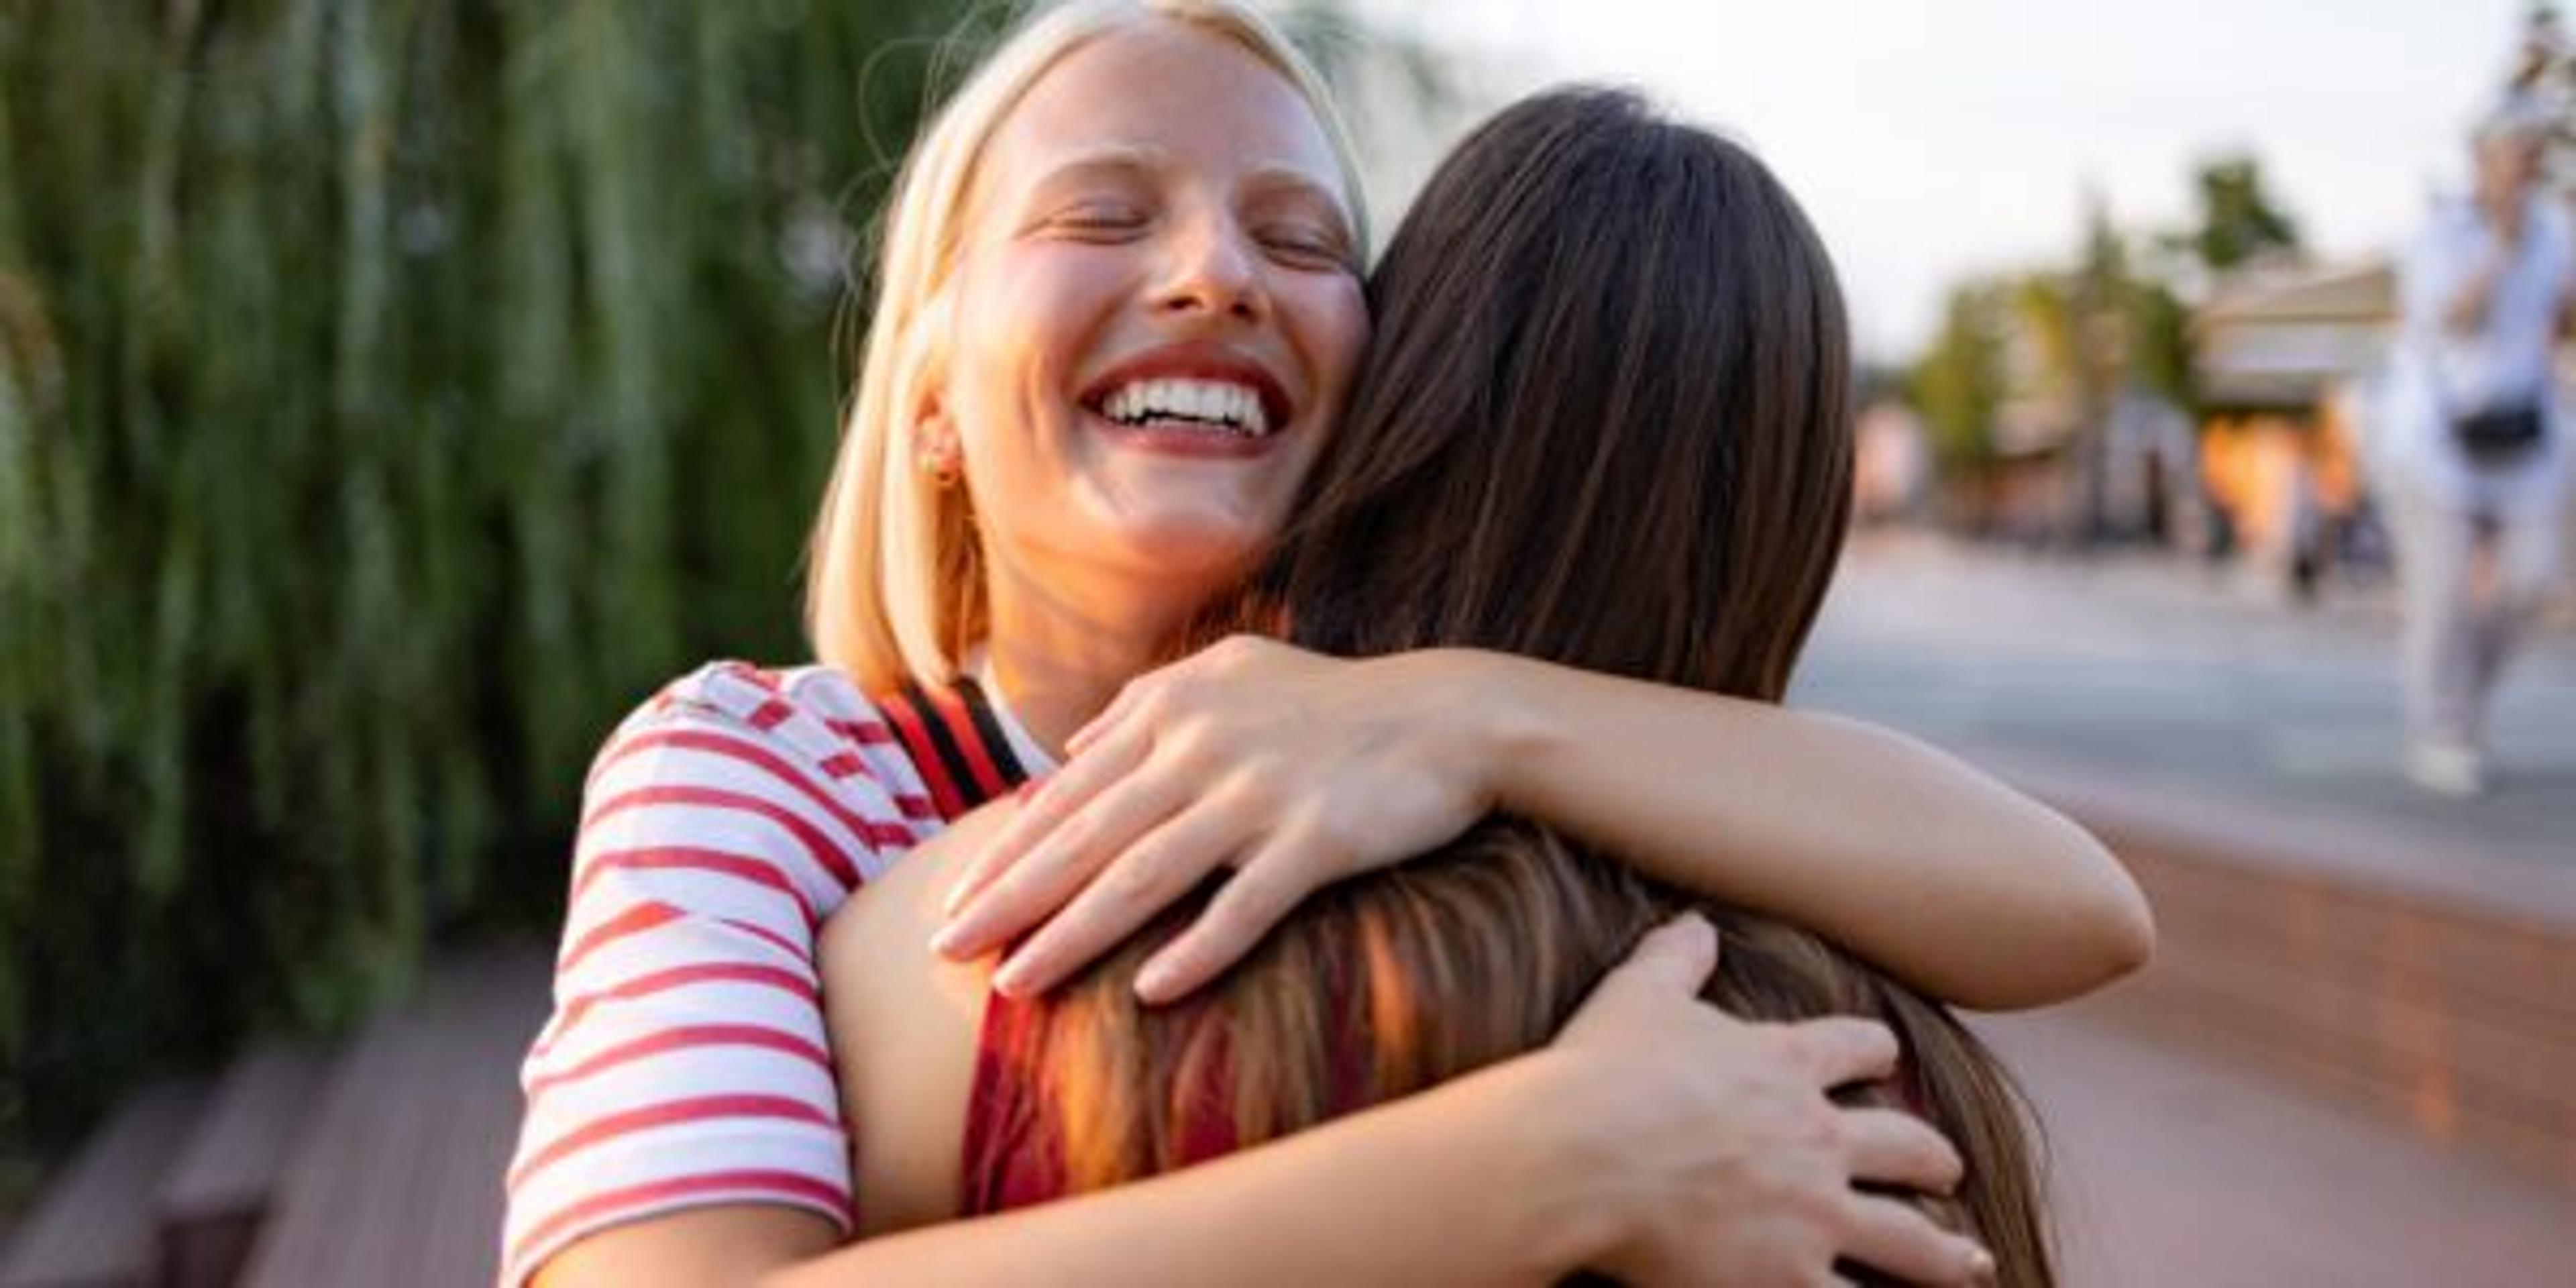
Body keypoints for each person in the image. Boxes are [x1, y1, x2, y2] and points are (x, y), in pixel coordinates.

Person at [506, 3, 2148, 1283]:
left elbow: (2077, 907)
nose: (1214, 272)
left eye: (1297, 240)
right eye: (1099, 213)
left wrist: (1467, 714)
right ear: (928, 392)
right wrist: (1549, 1164)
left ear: (1394, 380)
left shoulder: (1461, 783)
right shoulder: (758, 771)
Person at [2378, 105, 2575, 796]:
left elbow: (2563, 317)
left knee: (2532, 578)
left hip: (2526, 434)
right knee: (2444, 592)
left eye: (2535, 153)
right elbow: (2452, 318)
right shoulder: (2441, 232)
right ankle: (2439, 729)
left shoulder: (2556, 233)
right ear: (2483, 159)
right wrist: (2501, 247)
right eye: (2516, 152)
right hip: (2439, 439)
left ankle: (2465, 698)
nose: (2528, 165)